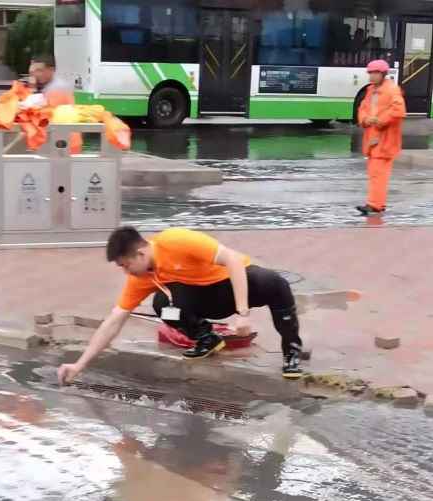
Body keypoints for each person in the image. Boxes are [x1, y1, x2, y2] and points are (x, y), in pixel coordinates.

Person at [57, 227, 304, 384]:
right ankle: (206, 338)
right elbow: (114, 321)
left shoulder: (177, 241)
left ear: (140, 254)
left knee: (275, 283)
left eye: (125, 265)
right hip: (207, 300)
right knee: (163, 303)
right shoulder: (140, 277)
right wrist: (79, 365)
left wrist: (243, 314)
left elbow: (233, 260)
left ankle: (292, 351)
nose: (125, 272)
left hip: (233, 282)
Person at [357, 59, 406, 215]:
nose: (371, 76)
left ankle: (375, 205)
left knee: (378, 173)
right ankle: (376, 203)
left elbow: (398, 111)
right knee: (374, 173)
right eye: (370, 73)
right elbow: (362, 109)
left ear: (383, 74)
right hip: (373, 139)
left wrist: (379, 120)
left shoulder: (392, 90)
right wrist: (365, 119)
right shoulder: (371, 90)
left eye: (375, 73)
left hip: (385, 139)